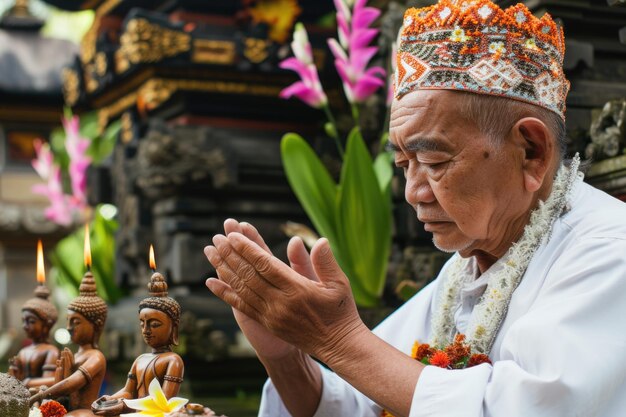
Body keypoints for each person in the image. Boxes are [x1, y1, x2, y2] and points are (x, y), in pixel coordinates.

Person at [203, 0, 626, 416]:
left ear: (531, 152)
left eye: (435, 162)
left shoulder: (609, 251)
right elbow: (359, 403)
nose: (413, 193)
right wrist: (286, 357)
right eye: (404, 164)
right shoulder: (466, 267)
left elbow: (523, 409)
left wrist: (337, 338)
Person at [91, 271, 184, 416]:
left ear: (174, 326)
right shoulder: (140, 359)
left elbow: (164, 401)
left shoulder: (173, 360)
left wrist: (122, 406)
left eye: (154, 324)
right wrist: (110, 399)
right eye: (142, 324)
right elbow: (128, 391)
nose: (146, 330)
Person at [30, 271, 108, 417]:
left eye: (76, 322)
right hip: (70, 409)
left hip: (85, 412)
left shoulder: (96, 356)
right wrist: (36, 387)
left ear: (96, 325)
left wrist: (43, 393)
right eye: (68, 321)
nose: (69, 327)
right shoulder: (76, 355)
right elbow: (60, 381)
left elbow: (73, 382)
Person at [8, 284, 59, 390]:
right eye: (23, 321)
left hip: (40, 399)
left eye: (31, 321)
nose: (25, 326)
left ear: (47, 325)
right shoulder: (23, 352)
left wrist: (25, 382)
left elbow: (53, 380)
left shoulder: (51, 351)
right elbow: (14, 378)